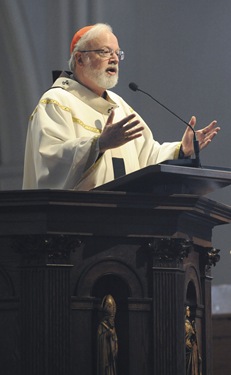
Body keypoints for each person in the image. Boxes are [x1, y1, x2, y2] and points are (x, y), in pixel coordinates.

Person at [22, 23, 220, 190]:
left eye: (117, 53)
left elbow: (146, 157)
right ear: (80, 59)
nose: (114, 59)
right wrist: (98, 145)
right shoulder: (57, 101)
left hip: (124, 221)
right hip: (77, 223)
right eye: (104, 52)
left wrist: (181, 150)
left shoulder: (120, 106)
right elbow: (51, 161)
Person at [97, 295, 118, 375]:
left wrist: (114, 340)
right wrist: (106, 335)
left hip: (111, 359)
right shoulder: (102, 326)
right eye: (111, 318)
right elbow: (100, 340)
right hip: (105, 357)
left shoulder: (112, 327)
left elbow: (115, 339)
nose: (112, 320)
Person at [185, 306, 202, 375]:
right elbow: (187, 338)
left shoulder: (190, 323)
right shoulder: (186, 324)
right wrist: (191, 346)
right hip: (189, 350)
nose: (189, 311)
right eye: (187, 310)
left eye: (189, 310)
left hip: (193, 350)